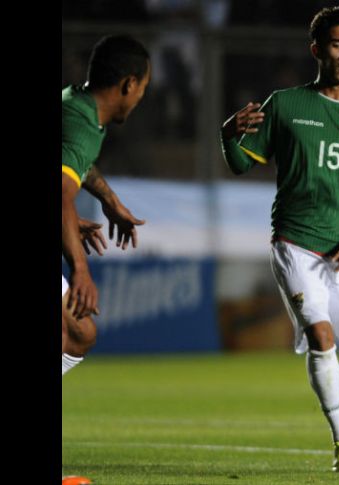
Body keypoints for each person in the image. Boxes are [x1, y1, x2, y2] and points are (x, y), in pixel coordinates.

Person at [220, 6, 339, 472]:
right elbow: (242, 164)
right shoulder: (284, 104)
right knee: (321, 337)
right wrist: (228, 136)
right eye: (337, 44)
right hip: (296, 243)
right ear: (317, 49)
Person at [61, 34, 150, 485]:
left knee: (77, 334)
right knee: (75, 328)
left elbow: (75, 165)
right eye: (144, 89)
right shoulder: (80, 120)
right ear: (129, 85)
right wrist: (80, 270)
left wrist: (109, 200)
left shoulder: (78, 108)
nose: (141, 98)